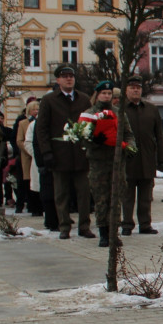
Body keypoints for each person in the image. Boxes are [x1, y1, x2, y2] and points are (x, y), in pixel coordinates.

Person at [35, 65, 94, 240]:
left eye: (71, 76)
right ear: (58, 80)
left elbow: (91, 124)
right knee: (61, 194)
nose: (69, 79)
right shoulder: (49, 100)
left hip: (81, 155)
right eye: (65, 76)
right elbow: (42, 128)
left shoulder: (83, 99)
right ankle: (64, 226)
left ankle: (84, 226)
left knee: (84, 194)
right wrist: (46, 152)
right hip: (59, 155)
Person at [84, 81, 134, 248]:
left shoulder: (119, 113)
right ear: (97, 95)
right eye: (103, 93)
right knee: (101, 199)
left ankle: (114, 233)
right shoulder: (90, 114)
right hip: (98, 163)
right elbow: (81, 137)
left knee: (116, 198)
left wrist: (130, 148)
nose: (106, 96)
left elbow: (128, 134)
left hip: (116, 161)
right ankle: (103, 233)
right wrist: (93, 140)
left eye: (109, 93)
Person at [121, 76, 163, 235]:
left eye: (138, 88)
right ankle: (127, 224)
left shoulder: (151, 109)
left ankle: (145, 224)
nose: (135, 90)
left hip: (146, 158)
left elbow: (159, 135)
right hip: (127, 159)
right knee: (127, 196)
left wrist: (161, 157)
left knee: (146, 196)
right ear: (126, 90)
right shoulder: (121, 109)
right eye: (132, 87)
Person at [15, 102, 42, 214]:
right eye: (33, 109)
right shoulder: (23, 123)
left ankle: (39, 206)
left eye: (37, 109)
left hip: (39, 157)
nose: (36, 111)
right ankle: (27, 206)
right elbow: (19, 140)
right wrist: (31, 152)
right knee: (27, 182)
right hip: (27, 155)